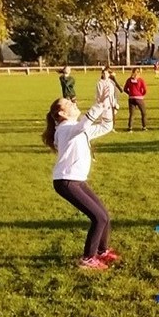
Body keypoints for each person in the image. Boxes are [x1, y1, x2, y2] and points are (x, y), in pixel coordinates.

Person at [42, 97, 118, 270]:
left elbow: (106, 126)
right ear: (61, 113)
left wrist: (106, 106)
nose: (74, 104)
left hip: (76, 180)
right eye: (69, 104)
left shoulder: (75, 129)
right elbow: (83, 125)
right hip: (66, 181)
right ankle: (88, 259)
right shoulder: (64, 129)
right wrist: (99, 104)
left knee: (104, 215)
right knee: (98, 218)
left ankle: (102, 251)